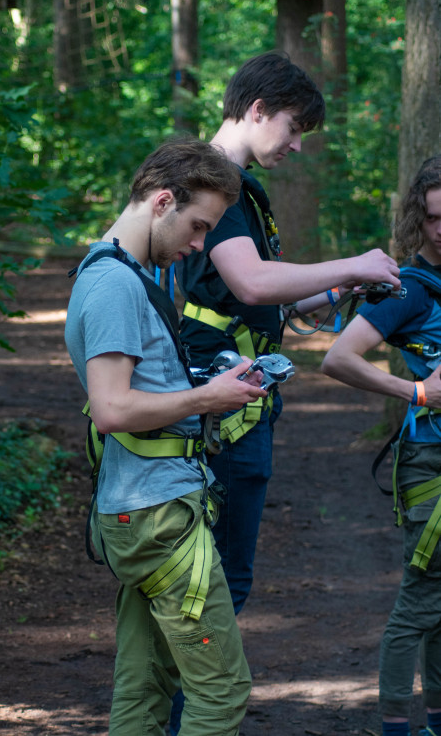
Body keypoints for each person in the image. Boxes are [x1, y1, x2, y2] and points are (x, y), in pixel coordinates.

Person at [176, 51, 401, 619]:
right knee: (221, 581)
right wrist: (352, 266)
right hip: (223, 402)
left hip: (235, 391)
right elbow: (251, 284)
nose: (297, 144)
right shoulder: (216, 182)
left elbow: (241, 293)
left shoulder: (228, 184)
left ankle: (190, 707)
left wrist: (328, 296)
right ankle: (197, 710)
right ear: (258, 109)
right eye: (294, 127)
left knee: (218, 577)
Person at [64, 137, 268, 736]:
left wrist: (207, 381)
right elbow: (111, 408)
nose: (200, 245)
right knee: (222, 692)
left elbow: (139, 386)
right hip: (155, 513)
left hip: (145, 509)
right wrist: (210, 397)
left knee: (146, 686)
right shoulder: (114, 286)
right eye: (199, 226)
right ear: (161, 202)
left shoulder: (125, 275)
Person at [321, 155, 441, 736]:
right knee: (422, 600)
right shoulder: (409, 290)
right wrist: (415, 390)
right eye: (434, 217)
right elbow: (337, 358)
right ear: (418, 220)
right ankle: (396, 726)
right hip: (431, 463)